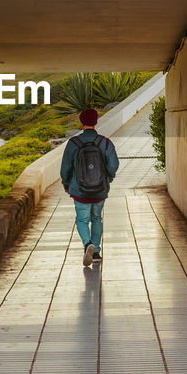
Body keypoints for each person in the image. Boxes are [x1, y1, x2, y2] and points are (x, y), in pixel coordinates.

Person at [60, 108, 120, 266]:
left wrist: (67, 185)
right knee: (96, 218)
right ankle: (96, 253)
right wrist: (108, 178)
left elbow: (65, 168)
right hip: (100, 190)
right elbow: (113, 165)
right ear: (96, 121)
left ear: (81, 122)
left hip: (80, 190)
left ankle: (88, 245)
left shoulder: (74, 143)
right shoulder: (104, 142)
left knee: (82, 219)